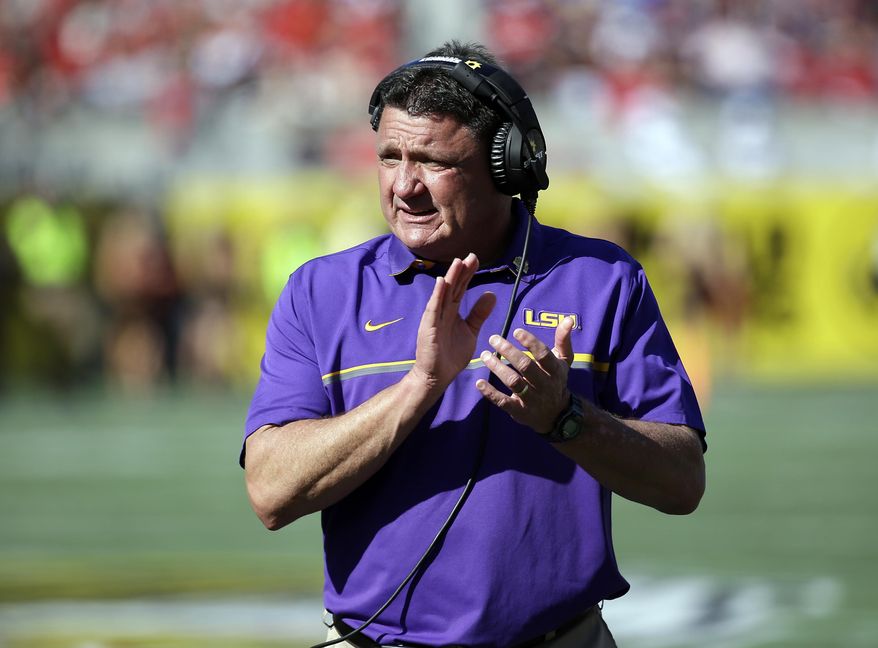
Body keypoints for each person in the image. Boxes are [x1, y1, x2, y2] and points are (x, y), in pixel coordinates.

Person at [242, 40, 706, 648]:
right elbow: (271, 493)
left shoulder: (603, 280)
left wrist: (564, 419)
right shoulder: (320, 291)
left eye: (432, 161)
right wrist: (420, 385)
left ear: (505, 164)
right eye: (388, 157)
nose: (404, 186)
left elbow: (682, 483)